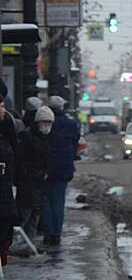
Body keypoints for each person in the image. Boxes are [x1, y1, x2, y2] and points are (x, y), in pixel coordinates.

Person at [10, 106, 54, 256]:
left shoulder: (44, 138)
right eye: (44, 123)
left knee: (34, 217)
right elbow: (20, 160)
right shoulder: (27, 138)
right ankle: (14, 246)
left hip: (38, 184)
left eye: (49, 123)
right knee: (24, 216)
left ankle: (29, 245)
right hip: (28, 184)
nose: (47, 126)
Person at [41, 96, 80, 246]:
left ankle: (48, 233)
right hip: (64, 168)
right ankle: (56, 234)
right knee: (58, 202)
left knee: (45, 201)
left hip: (45, 168)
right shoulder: (70, 124)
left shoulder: (45, 124)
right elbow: (76, 141)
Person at [0, 94, 17, 268]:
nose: (3, 109)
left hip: (5, 189)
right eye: (0, 105)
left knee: (6, 225)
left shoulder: (7, 125)